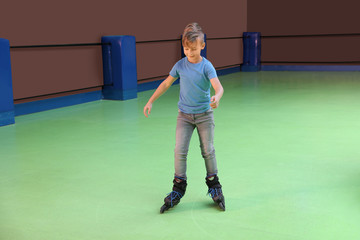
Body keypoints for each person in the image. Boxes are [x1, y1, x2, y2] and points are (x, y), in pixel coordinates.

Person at [143, 23, 225, 213]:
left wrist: (217, 97)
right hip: (184, 116)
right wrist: (151, 100)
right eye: (186, 49)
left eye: (194, 49)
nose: (189, 52)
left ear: (202, 46)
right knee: (179, 150)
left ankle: (214, 185)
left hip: (204, 115)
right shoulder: (180, 65)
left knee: (208, 149)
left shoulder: (206, 66)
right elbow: (165, 84)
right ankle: (178, 187)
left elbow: (218, 87)